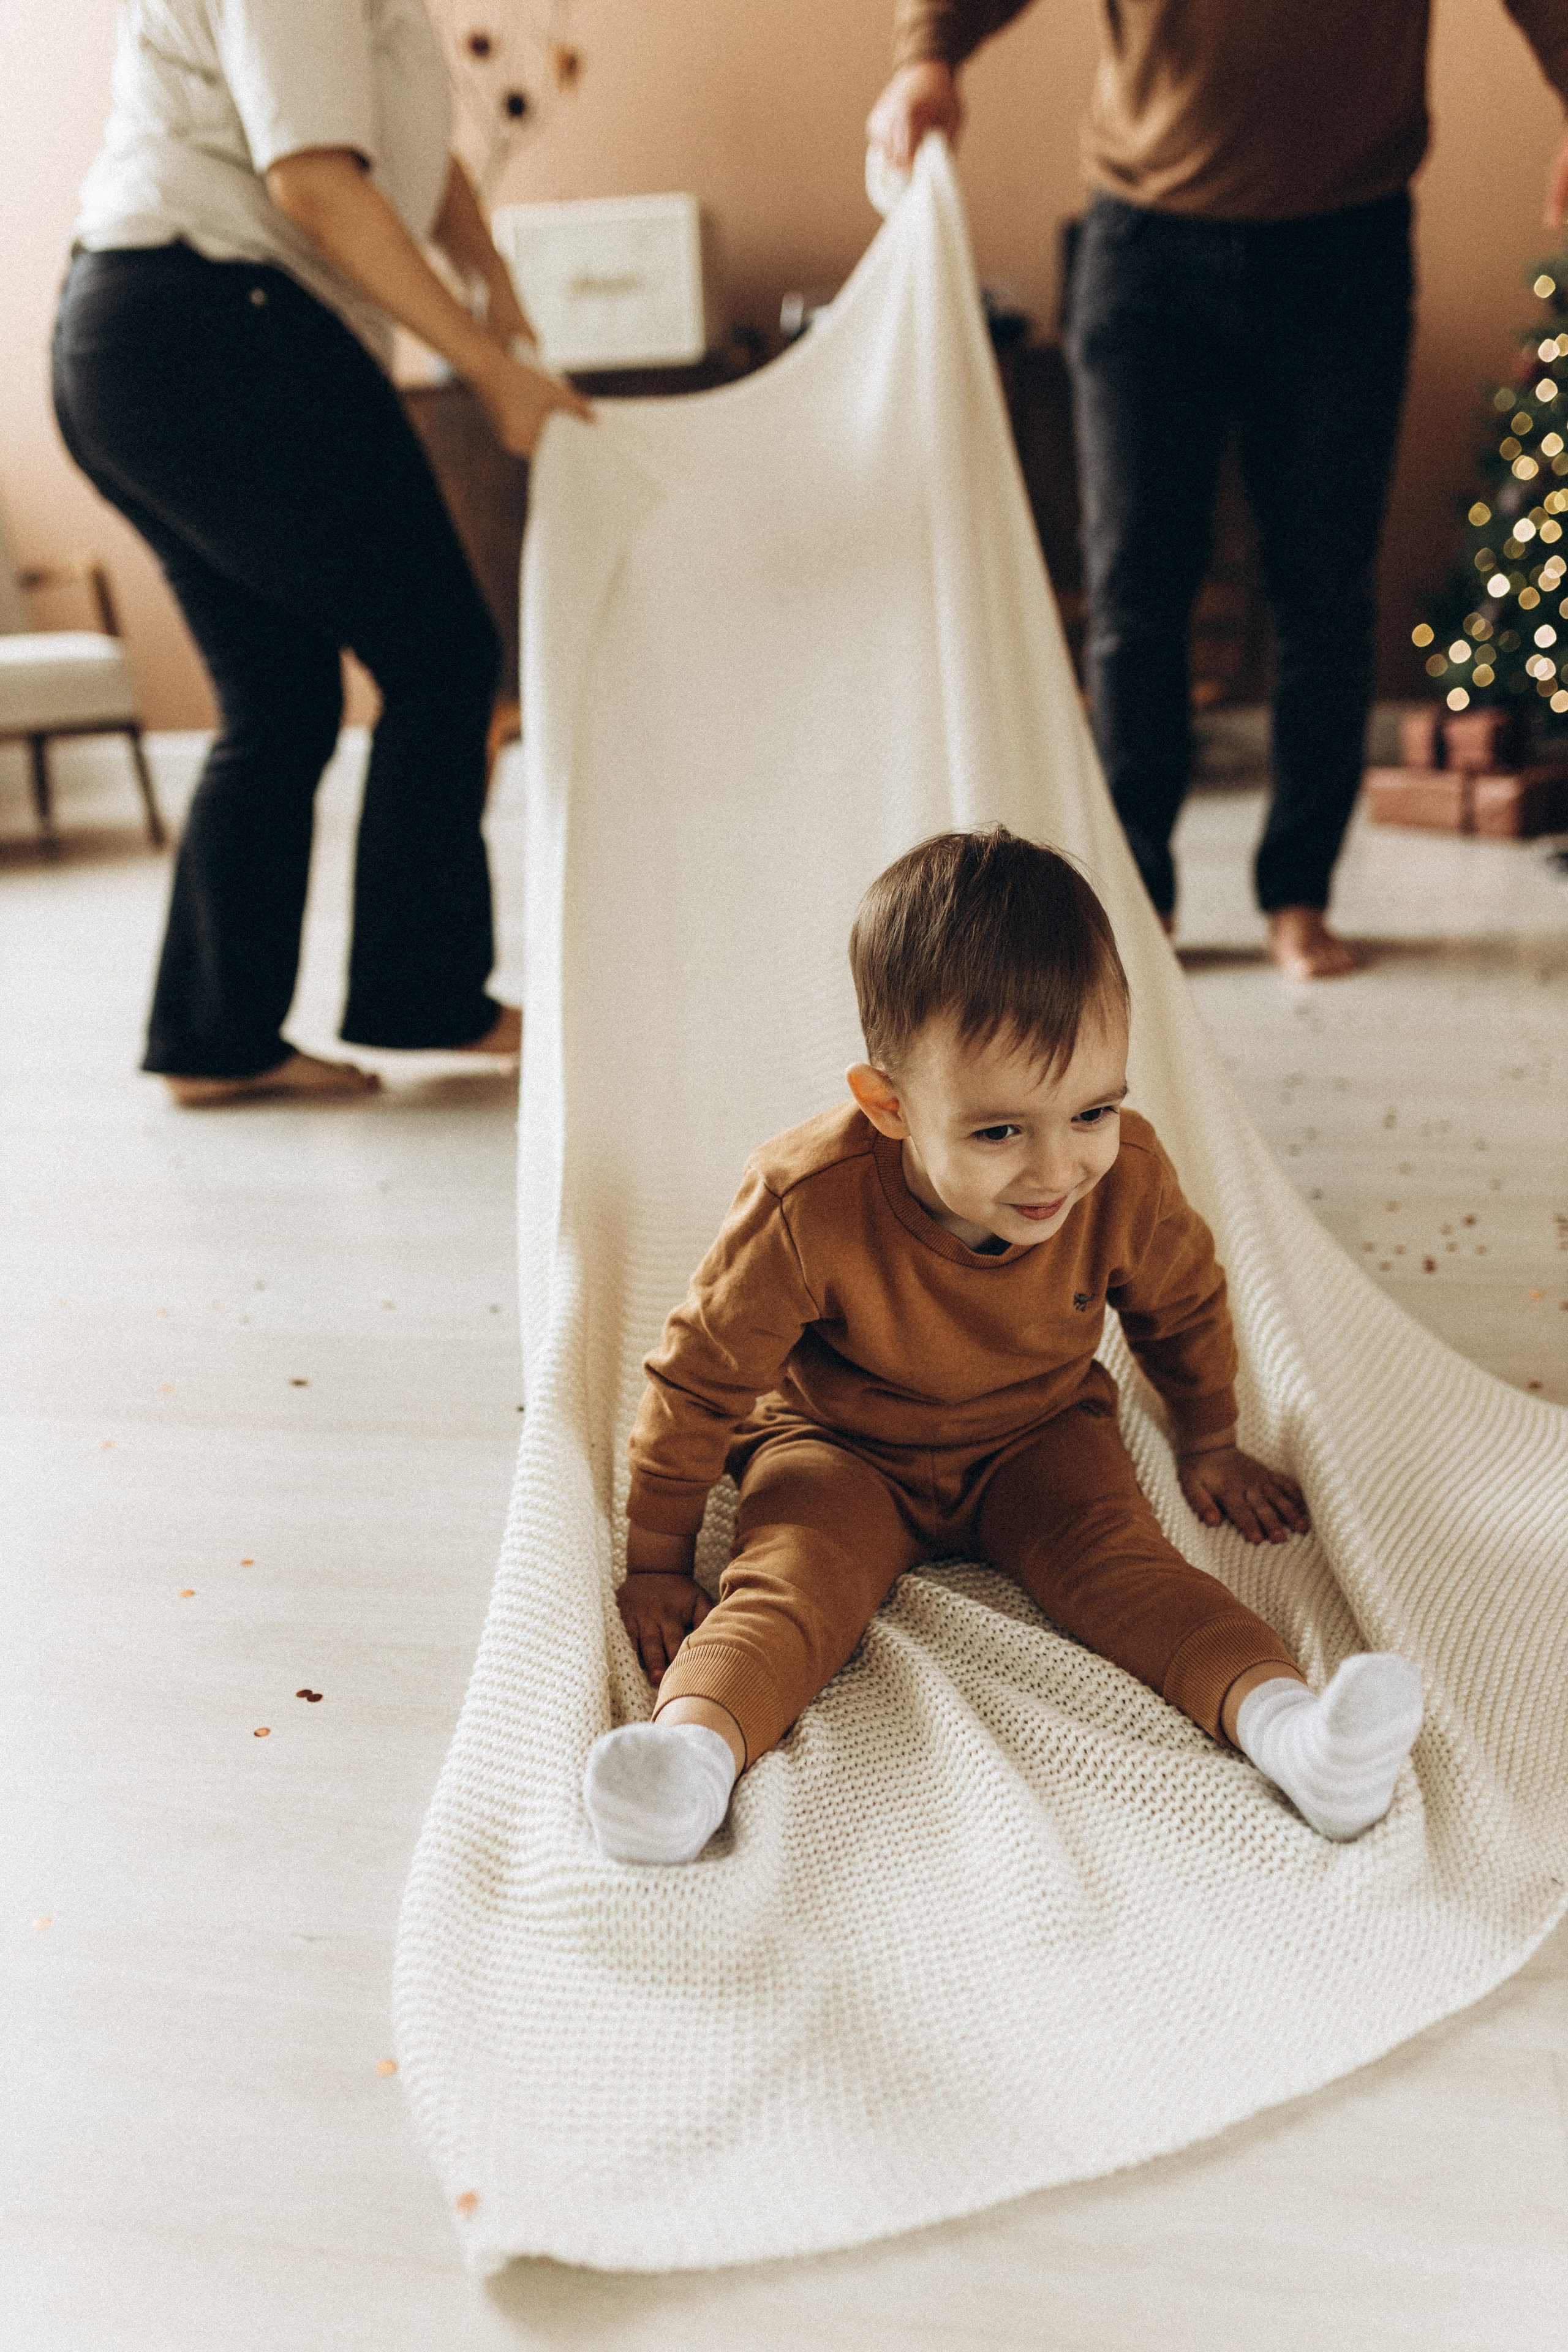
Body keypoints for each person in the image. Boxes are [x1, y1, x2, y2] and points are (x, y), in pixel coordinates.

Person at [581, 829, 1424, 1865]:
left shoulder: (1124, 1176)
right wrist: (657, 1559)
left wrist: (1210, 1438)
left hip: (1039, 1435)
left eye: (1092, 1111)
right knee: (789, 1587)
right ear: (889, 1106)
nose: (1056, 1170)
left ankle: (1295, 1736)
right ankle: (687, 1764)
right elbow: (699, 1379)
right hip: (843, 1449)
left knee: (1133, 1570)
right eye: (998, 1133)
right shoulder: (806, 1202)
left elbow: (1183, 1303)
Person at [867, 2, 1568, 980]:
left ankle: (1299, 897)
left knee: (1325, 595)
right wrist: (929, 55)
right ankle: (1138, 902)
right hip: (1145, 249)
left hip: (1347, 249)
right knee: (1135, 596)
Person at [52, 0, 590, 1105]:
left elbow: (409, 157)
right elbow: (314, 181)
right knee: (442, 653)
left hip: (150, 336)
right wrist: (487, 369)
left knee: (280, 697)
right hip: (218, 323)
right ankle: (425, 993)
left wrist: (493, 281)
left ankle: (217, 1039)